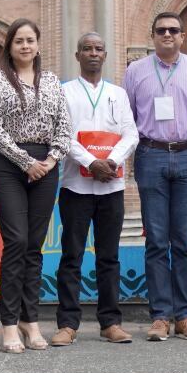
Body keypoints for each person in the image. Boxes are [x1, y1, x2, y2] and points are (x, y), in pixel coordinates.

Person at [123, 11, 187, 342]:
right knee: (156, 240)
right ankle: (161, 315)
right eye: (161, 30)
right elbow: (127, 117)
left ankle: (186, 315)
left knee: (184, 241)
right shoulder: (135, 72)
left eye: (173, 30)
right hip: (151, 155)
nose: (167, 34)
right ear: (152, 36)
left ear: (183, 36)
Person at [0, 18, 71, 354]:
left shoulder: (50, 80)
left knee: (34, 245)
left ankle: (30, 321)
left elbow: (64, 125)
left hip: (46, 166)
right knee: (16, 241)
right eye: (18, 40)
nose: (24, 46)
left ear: (37, 44)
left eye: (30, 40)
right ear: (9, 45)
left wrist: (49, 161)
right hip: (9, 166)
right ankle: (8, 325)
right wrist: (25, 162)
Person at [52, 32, 139, 346]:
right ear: (77, 55)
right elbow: (61, 133)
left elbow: (130, 133)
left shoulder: (118, 94)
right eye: (86, 48)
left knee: (109, 257)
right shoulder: (63, 92)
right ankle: (67, 324)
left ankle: (110, 322)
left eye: (98, 49)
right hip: (76, 185)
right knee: (71, 256)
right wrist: (91, 161)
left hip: (111, 187)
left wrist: (111, 161)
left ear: (105, 55)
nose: (92, 53)